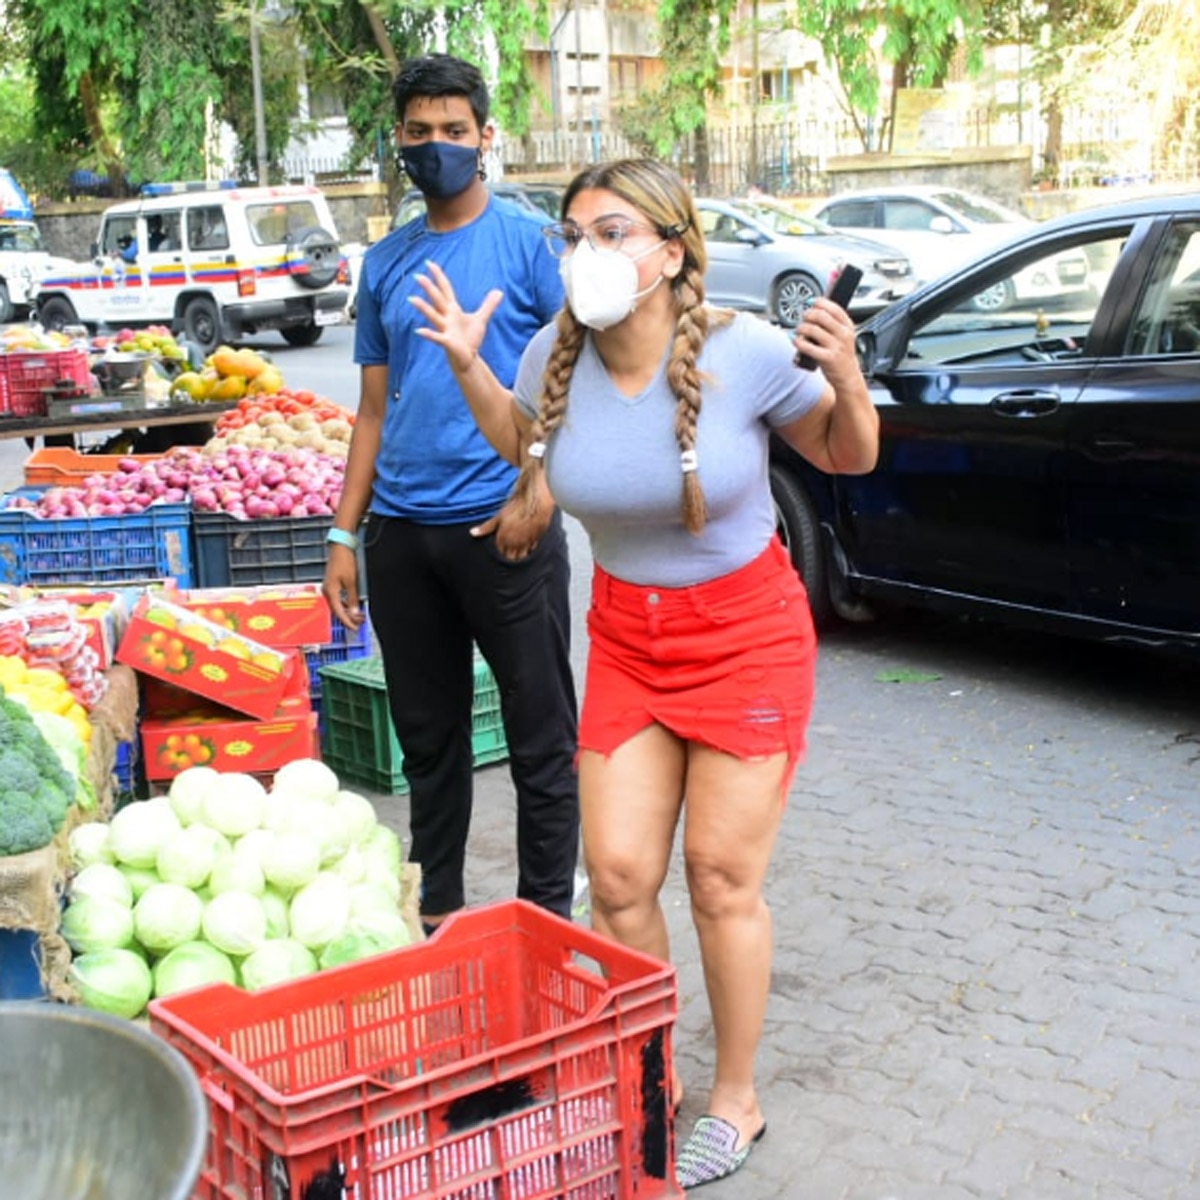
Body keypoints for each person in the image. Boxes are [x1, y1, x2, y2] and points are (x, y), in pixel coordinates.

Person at [408, 157, 879, 1190]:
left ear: (671, 253)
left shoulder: (744, 352)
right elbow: (528, 446)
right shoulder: (551, 352)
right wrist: (470, 367)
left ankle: (736, 1098)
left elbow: (848, 457)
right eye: (574, 234)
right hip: (626, 634)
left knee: (719, 879)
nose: (589, 252)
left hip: (746, 633)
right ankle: (649, 1073)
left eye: (613, 231)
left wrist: (846, 377)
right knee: (619, 876)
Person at [322, 53, 580, 933]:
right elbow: (369, 410)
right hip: (402, 540)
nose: (438, 147)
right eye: (420, 133)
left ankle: (546, 916)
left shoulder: (529, 245)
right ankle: (439, 914)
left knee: (542, 739)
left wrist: (536, 487)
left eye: (455, 133)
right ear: (399, 140)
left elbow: (567, 382)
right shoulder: (386, 263)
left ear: (486, 138)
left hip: (506, 529)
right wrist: (344, 536)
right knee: (429, 745)